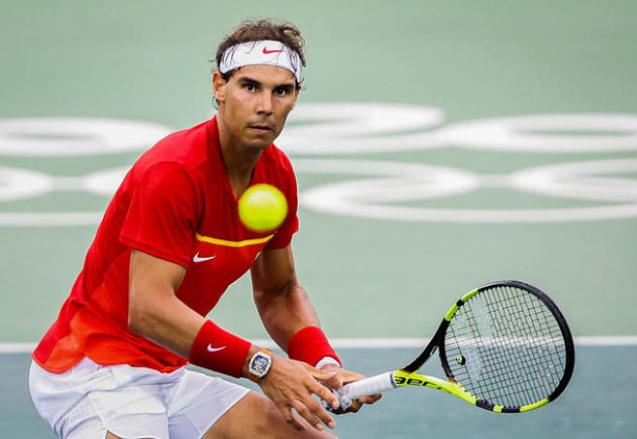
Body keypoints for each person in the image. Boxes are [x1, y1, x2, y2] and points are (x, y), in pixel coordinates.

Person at [29, 19, 379, 439]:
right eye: (250, 86)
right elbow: (148, 308)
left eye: (281, 91)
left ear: (296, 97)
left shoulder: (277, 173)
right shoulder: (174, 171)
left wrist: (323, 364)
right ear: (219, 86)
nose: (265, 105)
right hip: (95, 370)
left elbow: (278, 291)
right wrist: (262, 365)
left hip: (167, 371)